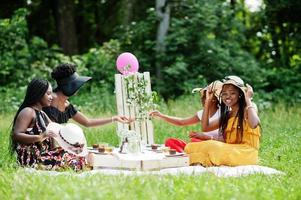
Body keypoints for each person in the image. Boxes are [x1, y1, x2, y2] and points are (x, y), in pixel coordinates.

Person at [184, 75, 261, 166]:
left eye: (232, 93)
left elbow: (254, 123)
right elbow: (205, 127)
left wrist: (247, 99)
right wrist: (208, 102)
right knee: (192, 146)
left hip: (246, 153)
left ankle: (206, 160)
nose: (228, 97)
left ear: (240, 94)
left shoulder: (249, 107)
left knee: (213, 146)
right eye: (224, 93)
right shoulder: (228, 114)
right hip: (231, 149)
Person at [11, 78, 86, 170]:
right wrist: (40, 137)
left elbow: (58, 133)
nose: (51, 97)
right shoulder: (28, 112)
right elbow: (16, 135)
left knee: (76, 155)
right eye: (48, 94)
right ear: (38, 93)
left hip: (44, 156)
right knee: (71, 160)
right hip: (32, 160)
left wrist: (73, 145)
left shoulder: (42, 114)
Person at [43, 63, 131, 125]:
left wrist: (114, 118)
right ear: (68, 86)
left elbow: (87, 122)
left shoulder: (66, 104)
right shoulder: (52, 99)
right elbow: (51, 130)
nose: (78, 87)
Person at [149, 81, 223, 153]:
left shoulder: (223, 114)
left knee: (195, 142)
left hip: (215, 146)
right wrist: (161, 115)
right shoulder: (201, 113)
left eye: (205, 96)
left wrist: (205, 137)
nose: (201, 99)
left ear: (213, 99)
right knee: (170, 142)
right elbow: (181, 122)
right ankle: (187, 153)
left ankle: (188, 153)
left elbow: (227, 139)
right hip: (202, 144)